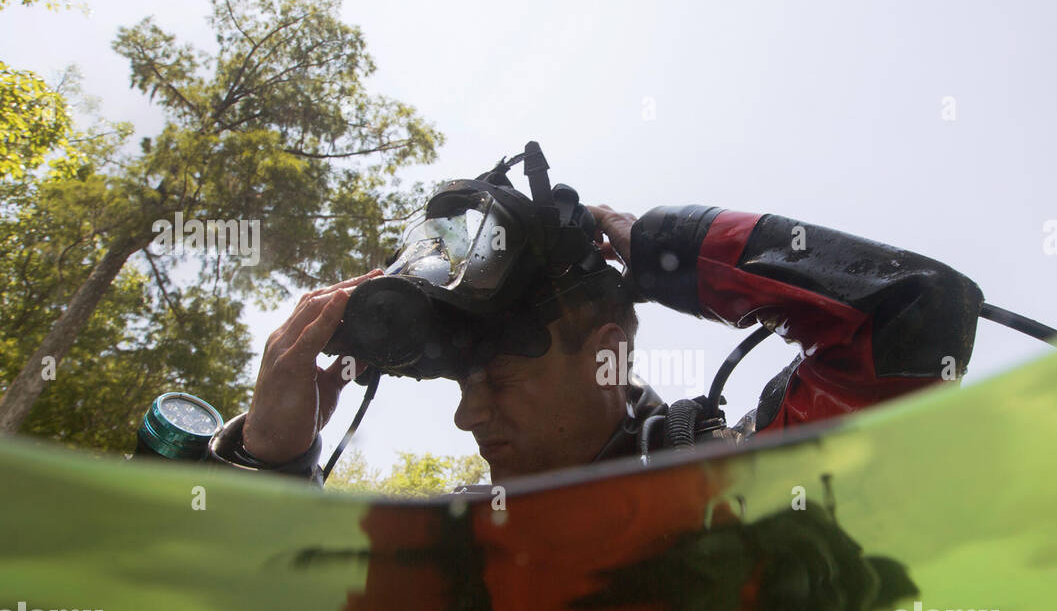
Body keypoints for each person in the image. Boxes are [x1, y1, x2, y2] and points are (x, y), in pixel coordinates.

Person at [206, 202, 984, 486]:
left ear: (608, 356)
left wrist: (673, 248)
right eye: (460, 382)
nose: (466, 419)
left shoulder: (729, 484)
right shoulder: (447, 550)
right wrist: (269, 457)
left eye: (500, 376)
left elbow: (914, 313)